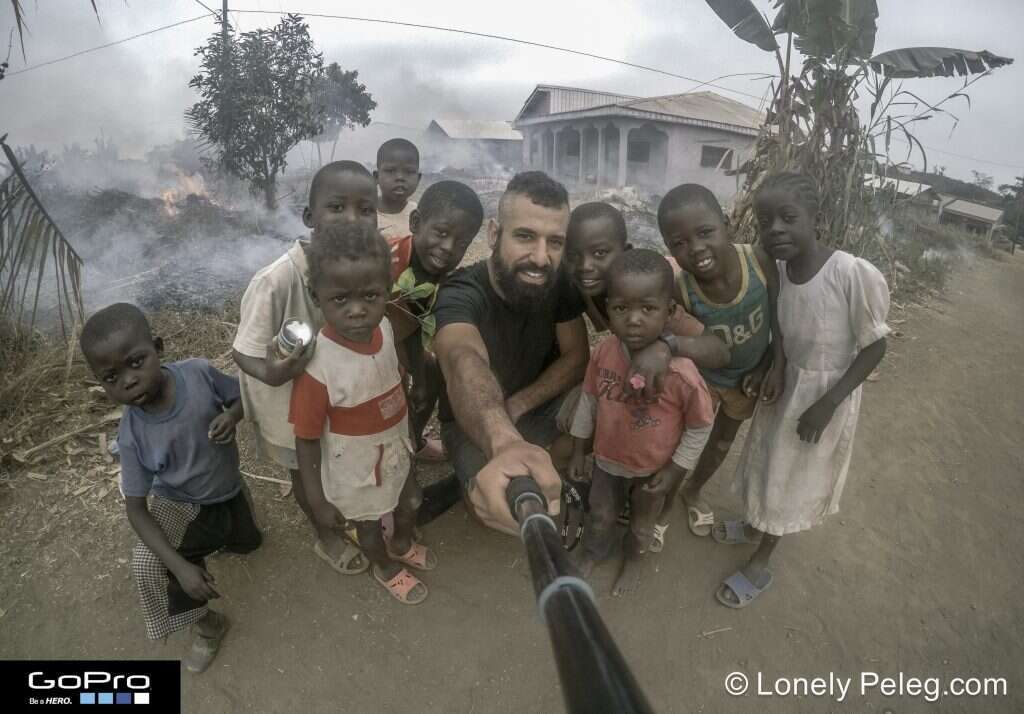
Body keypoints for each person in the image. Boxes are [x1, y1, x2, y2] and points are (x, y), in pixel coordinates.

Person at [715, 172, 890, 609]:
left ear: (816, 218)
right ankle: (755, 524)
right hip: (787, 383)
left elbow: (875, 346)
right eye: (765, 221)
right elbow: (779, 326)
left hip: (822, 395)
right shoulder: (778, 270)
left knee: (791, 475)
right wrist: (775, 365)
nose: (775, 229)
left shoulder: (850, 273)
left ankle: (762, 558)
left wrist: (828, 403)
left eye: (788, 218)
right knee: (767, 459)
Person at [81, 303, 259, 673]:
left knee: (249, 542)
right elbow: (135, 508)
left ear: (158, 348)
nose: (128, 381)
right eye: (111, 377)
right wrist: (179, 568)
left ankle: (228, 539)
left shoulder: (198, 374)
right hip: (183, 502)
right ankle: (208, 625)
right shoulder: (131, 437)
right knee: (150, 565)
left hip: (229, 486)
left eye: (136, 362)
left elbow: (241, 397)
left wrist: (231, 415)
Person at [231, 161, 377, 576]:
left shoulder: (360, 269)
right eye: (337, 207)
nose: (352, 220)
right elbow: (243, 351)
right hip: (286, 404)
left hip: (333, 398)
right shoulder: (276, 281)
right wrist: (274, 373)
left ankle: (341, 510)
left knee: (333, 459)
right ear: (310, 216)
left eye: (366, 209)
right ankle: (325, 535)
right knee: (303, 468)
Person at [432, 171, 588, 534]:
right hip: (473, 418)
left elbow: (578, 357)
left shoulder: (556, 281)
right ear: (493, 234)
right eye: (525, 236)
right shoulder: (460, 292)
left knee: (608, 409)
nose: (541, 258)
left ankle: (546, 460)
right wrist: (502, 440)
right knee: (489, 509)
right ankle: (479, 473)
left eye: (555, 242)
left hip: (534, 405)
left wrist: (518, 405)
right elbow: (462, 359)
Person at [290, 221, 436, 605]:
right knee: (368, 527)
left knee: (411, 501)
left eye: (370, 296)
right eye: (340, 299)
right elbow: (306, 438)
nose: (357, 311)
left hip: (396, 448)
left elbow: (396, 377)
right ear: (316, 296)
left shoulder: (385, 328)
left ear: (387, 288)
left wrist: (410, 423)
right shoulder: (317, 367)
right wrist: (317, 500)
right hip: (354, 469)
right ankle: (383, 565)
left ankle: (401, 543)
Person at [568, 250, 715, 596]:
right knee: (600, 515)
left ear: (669, 312)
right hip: (606, 462)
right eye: (621, 308)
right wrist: (578, 450)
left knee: (641, 526)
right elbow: (589, 400)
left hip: (654, 470)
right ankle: (594, 552)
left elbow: (700, 426)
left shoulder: (682, 373)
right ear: (608, 309)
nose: (633, 320)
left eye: (648, 309)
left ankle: (634, 560)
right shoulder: (604, 353)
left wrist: (675, 470)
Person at [657, 184, 784, 540]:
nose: (696, 248)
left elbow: (779, 319)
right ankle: (663, 503)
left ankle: (693, 490)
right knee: (684, 440)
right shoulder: (682, 289)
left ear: (727, 224)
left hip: (746, 381)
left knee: (721, 444)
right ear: (669, 248)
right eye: (679, 243)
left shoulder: (759, 262)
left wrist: (769, 365)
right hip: (703, 381)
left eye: (705, 232)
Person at [386, 180, 484, 464]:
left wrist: (419, 376)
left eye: (462, 243)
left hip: (397, 340)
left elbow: (413, 325)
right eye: (441, 233)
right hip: (361, 348)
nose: (448, 248)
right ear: (416, 223)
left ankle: (412, 444)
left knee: (432, 370)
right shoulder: (384, 264)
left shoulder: (441, 279)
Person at [375, 138, 422, 239]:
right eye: (391, 171)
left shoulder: (418, 215)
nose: (400, 177)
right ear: (376, 177)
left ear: (418, 179)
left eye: (409, 172)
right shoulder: (365, 212)